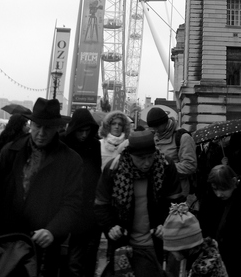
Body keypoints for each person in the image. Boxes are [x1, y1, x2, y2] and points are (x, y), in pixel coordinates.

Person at [0, 97, 83, 276]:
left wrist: (53, 230)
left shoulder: (70, 160)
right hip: (8, 240)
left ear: (57, 128)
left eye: (48, 128)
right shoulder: (10, 151)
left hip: (43, 245)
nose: (41, 133)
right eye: (37, 126)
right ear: (30, 124)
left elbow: (73, 204)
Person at [94, 129, 184, 277]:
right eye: (141, 158)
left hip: (156, 245)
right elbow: (101, 204)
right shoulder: (114, 169)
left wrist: (166, 223)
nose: (147, 163)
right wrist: (110, 226)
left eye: (150, 156)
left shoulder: (166, 166)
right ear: (130, 154)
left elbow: (177, 202)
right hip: (123, 244)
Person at [61, 108, 102, 277]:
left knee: (88, 254)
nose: (84, 135)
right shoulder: (63, 143)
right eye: (81, 131)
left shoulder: (95, 144)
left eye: (87, 131)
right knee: (73, 257)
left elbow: (96, 171)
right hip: (69, 203)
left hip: (90, 204)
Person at [198, 165, 241, 277]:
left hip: (236, 256)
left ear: (234, 182)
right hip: (214, 255)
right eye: (215, 189)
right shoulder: (208, 199)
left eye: (223, 189)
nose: (218, 194)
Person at [163, 202, 228, 277]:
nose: (170, 252)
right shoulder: (200, 258)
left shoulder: (203, 270)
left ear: (183, 247)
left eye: (172, 249)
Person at [147, 106, 197, 199]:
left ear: (165, 122)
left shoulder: (183, 137)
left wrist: (165, 167)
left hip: (178, 193)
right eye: (153, 127)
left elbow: (190, 166)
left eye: (157, 126)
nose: (155, 130)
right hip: (159, 192)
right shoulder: (155, 137)